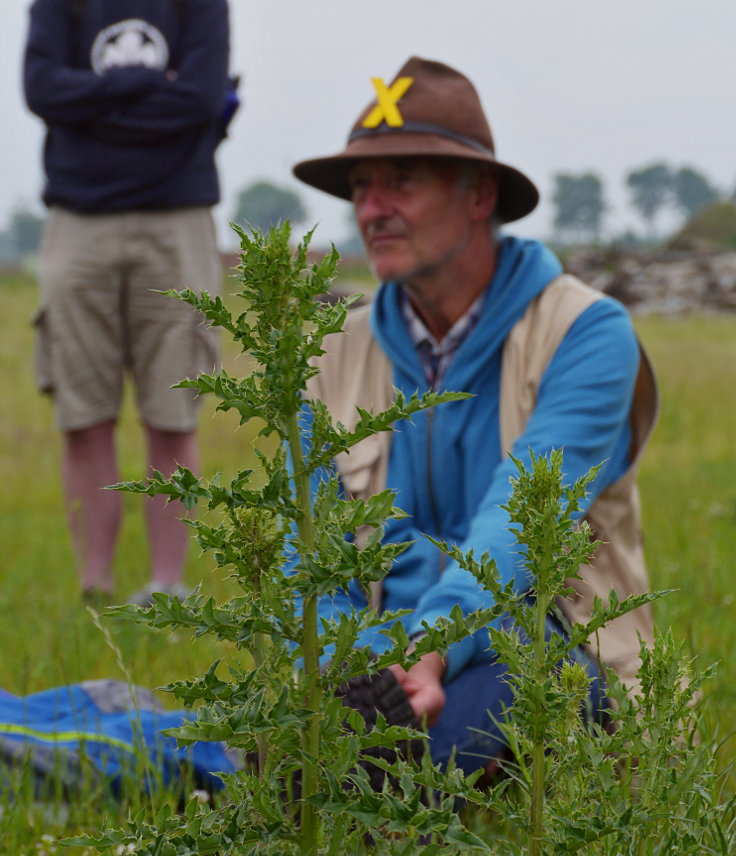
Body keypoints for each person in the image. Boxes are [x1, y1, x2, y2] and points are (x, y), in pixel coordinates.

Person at [292, 56, 658, 774]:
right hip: (386, 675)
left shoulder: (585, 332)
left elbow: (517, 524)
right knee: (286, 753)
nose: (372, 209)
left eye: (402, 180)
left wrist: (425, 652)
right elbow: (309, 561)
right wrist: (367, 676)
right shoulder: (329, 352)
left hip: (545, 653)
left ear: (479, 194)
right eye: (362, 188)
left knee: (380, 774)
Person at [23, 0, 234, 604]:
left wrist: (93, 102)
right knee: (82, 412)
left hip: (178, 217)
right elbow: (41, 90)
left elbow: (199, 97)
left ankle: (167, 588)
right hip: (77, 218)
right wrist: (144, 84)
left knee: (173, 412)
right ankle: (95, 588)